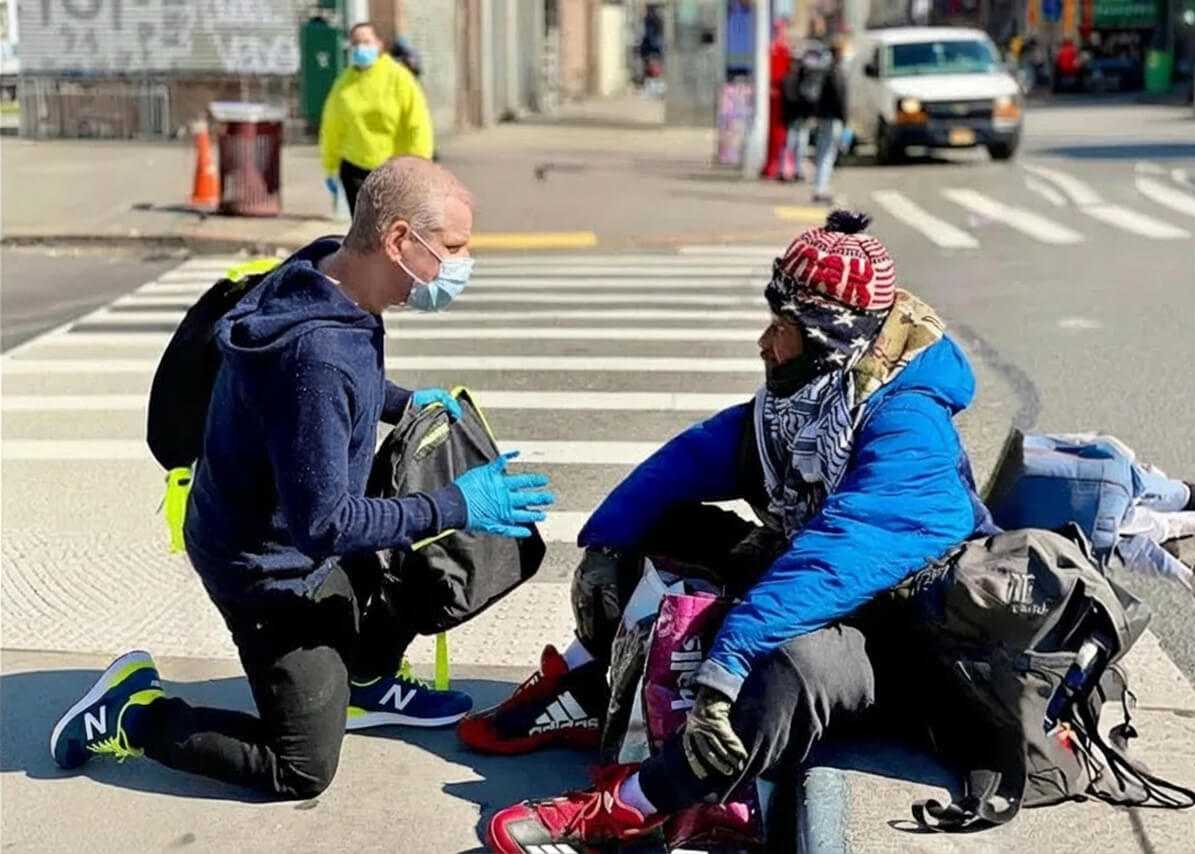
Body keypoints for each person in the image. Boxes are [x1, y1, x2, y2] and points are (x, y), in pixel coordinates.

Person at [464, 211, 998, 852]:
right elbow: (693, 459)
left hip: (912, 631)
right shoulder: (819, 391)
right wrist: (607, 545)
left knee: (790, 667)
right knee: (658, 528)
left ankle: (633, 805)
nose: (765, 343)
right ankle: (585, 686)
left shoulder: (909, 420)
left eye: (786, 329)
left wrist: (729, 660)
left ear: (829, 338)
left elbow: (841, 556)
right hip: (846, 586)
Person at [49, 156, 556, 801]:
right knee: (302, 768)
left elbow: (326, 393)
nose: (462, 265)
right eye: (452, 248)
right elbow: (326, 526)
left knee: (414, 569)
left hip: (291, 522)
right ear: (399, 239)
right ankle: (132, 713)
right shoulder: (315, 357)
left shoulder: (327, 270)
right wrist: (455, 504)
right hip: (268, 572)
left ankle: (364, 679)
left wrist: (396, 401)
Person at [320, 23, 434, 214]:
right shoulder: (343, 84)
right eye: (355, 43)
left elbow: (418, 124)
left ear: (379, 45)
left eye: (366, 42)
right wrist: (330, 166)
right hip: (355, 167)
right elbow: (331, 127)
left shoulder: (399, 78)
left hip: (394, 171)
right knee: (362, 232)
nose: (360, 48)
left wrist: (419, 164)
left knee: (390, 230)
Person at [777, 18, 847, 204]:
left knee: (812, 147)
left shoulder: (820, 71)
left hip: (818, 115)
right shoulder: (834, 72)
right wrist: (843, 117)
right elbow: (840, 98)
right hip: (831, 117)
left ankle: (810, 180)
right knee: (824, 152)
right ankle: (819, 187)